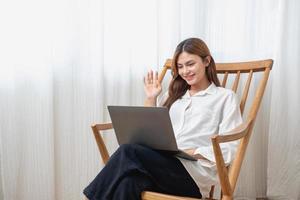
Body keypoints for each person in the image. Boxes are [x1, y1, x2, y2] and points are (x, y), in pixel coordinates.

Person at [83, 38, 243, 200]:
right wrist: (151, 98)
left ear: (206, 61)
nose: (185, 71)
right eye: (180, 67)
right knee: (128, 182)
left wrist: (192, 152)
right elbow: (146, 132)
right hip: (161, 169)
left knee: (128, 150)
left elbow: (230, 148)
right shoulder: (173, 96)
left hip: (193, 177)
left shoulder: (224, 97)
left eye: (190, 64)